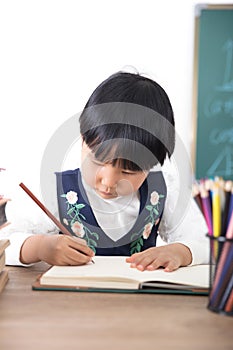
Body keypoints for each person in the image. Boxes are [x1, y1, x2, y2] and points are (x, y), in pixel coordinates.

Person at [0, 71, 209, 271]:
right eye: (98, 161)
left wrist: (182, 252)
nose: (109, 181)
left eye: (128, 172)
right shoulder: (57, 190)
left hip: (142, 305)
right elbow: (5, 243)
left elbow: (206, 242)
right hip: (68, 303)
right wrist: (39, 248)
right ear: (83, 140)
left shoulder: (164, 189)